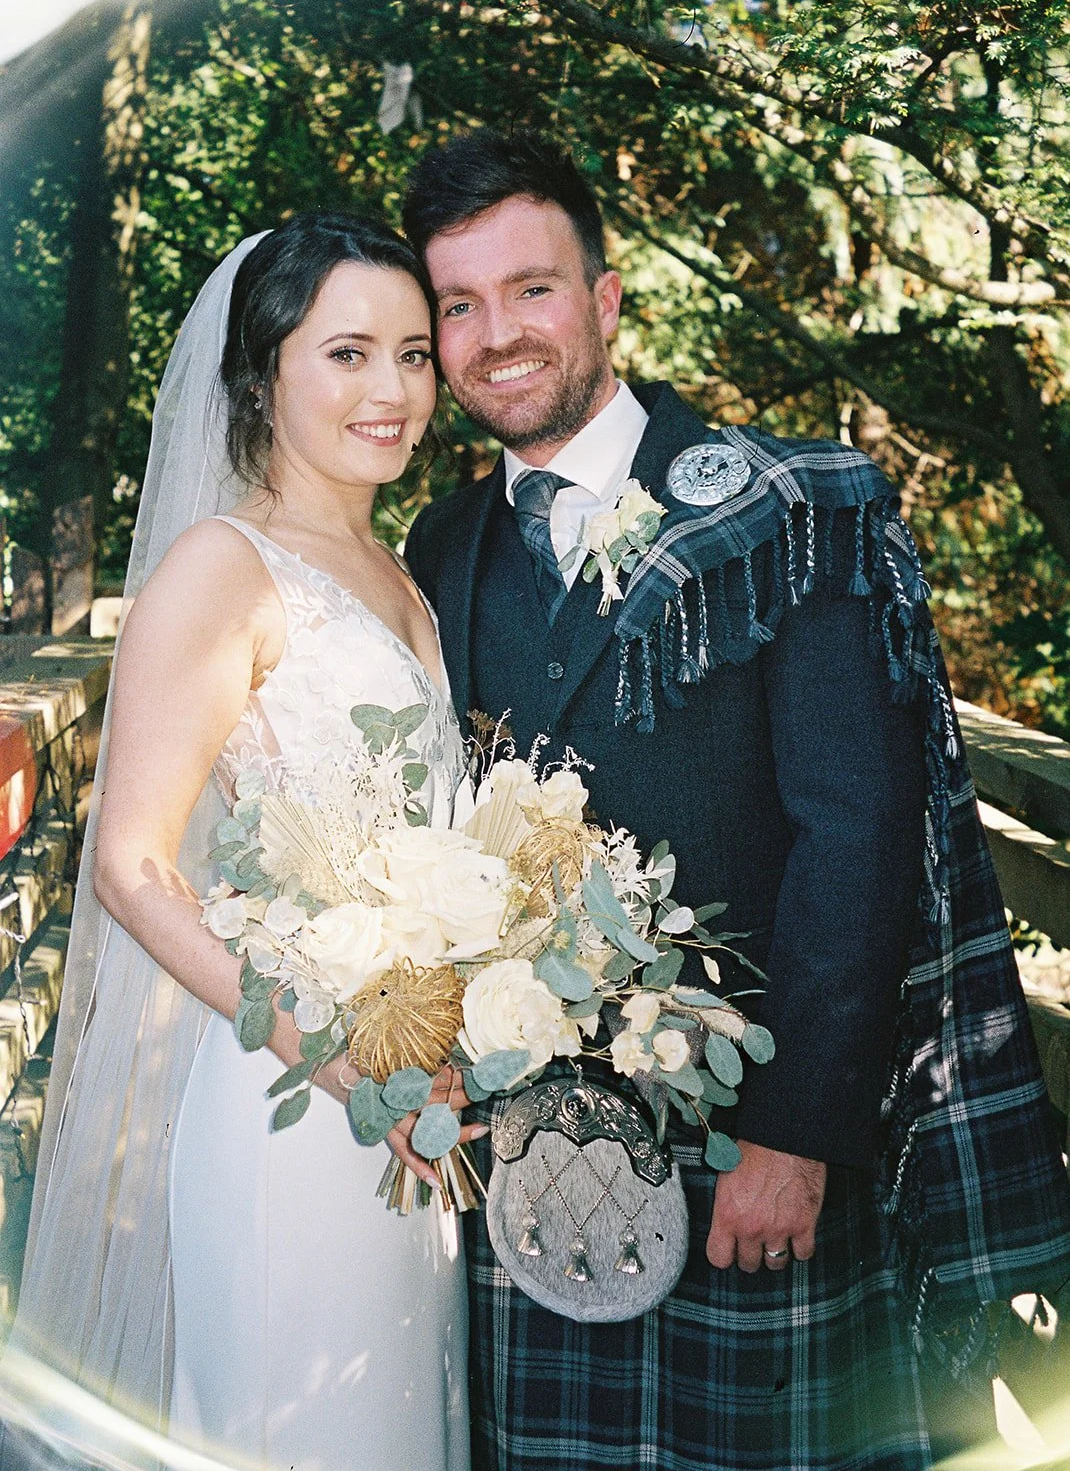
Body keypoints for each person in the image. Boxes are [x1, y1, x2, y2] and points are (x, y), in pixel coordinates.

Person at [401, 129, 1070, 1471]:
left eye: (529, 289)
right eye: (456, 307)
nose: (496, 335)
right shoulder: (440, 543)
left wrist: (795, 1138)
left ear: (604, 300)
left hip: (745, 1153)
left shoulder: (787, 508)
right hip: (523, 1159)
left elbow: (857, 833)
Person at [3, 214, 473, 1471]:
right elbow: (133, 865)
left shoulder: (395, 572)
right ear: (262, 372)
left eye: (415, 353)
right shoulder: (223, 567)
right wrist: (331, 1058)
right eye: (349, 352)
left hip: (407, 1101)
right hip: (293, 1095)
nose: (394, 390)